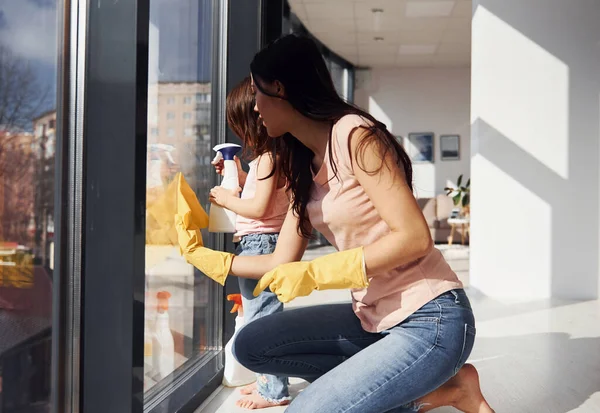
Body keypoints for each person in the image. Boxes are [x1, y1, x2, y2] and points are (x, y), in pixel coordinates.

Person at [176, 34, 494, 413]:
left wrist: (318, 273)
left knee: (307, 411)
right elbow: (280, 261)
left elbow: (414, 238)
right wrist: (203, 257)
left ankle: (424, 387)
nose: (256, 108)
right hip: (372, 315)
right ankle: (438, 391)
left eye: (259, 94)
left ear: (280, 89)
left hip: (432, 318)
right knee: (252, 345)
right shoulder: (300, 163)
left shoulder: (355, 136)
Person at [209, 77, 291, 410]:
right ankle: (268, 383)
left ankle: (274, 390)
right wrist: (238, 176)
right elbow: (262, 197)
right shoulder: (268, 159)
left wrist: (226, 198)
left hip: (261, 245)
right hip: (264, 242)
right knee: (262, 315)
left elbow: (257, 208)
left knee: (261, 319)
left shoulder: (270, 158)